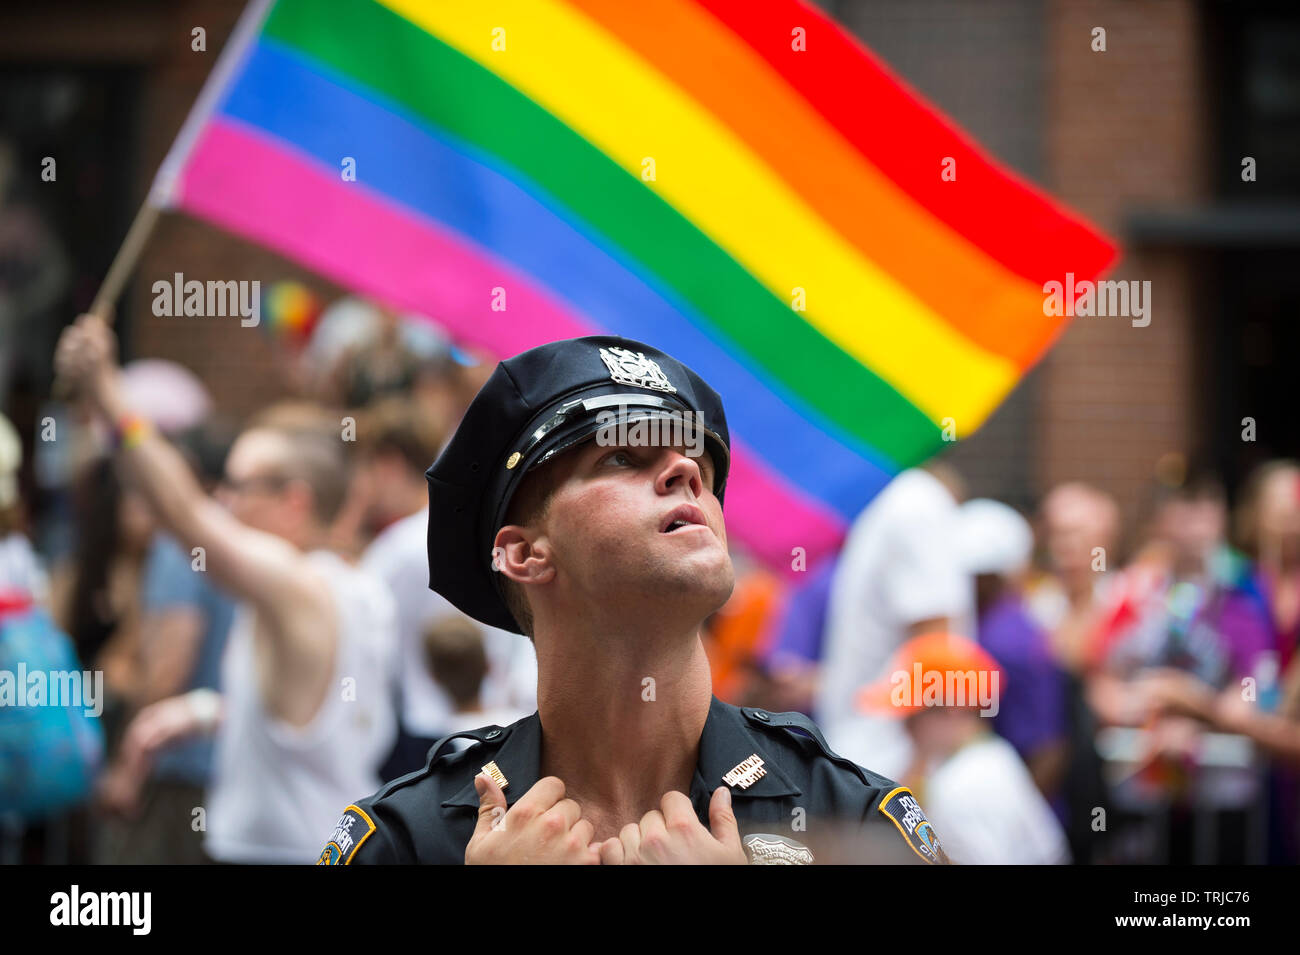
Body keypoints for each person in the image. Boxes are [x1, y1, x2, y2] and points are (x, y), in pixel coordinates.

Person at [319, 336, 948, 865]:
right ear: (524, 554)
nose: (687, 472)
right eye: (624, 455)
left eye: (697, 459)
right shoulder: (408, 837)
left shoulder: (855, 820)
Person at [53, 312, 398, 863]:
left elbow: (183, 512)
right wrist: (205, 713)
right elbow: (305, 713)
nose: (223, 503)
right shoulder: (353, 586)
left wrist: (107, 393)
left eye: (239, 486)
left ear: (295, 502)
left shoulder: (301, 586)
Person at [814, 464, 975, 780]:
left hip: (889, 766)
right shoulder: (893, 502)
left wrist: (919, 771)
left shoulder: (914, 505)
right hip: (871, 761)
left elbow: (935, 646)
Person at [858, 632, 1070, 865]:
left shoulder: (962, 787)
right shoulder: (989, 755)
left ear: (952, 709)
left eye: (912, 716)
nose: (905, 729)